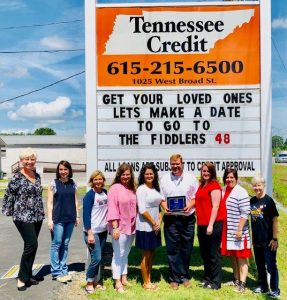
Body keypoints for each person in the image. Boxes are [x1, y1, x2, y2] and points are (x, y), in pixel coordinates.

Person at [2, 148, 45, 291]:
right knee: (31, 244)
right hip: (22, 216)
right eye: (26, 159)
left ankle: (28, 275)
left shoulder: (37, 176)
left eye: (32, 159)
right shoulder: (16, 178)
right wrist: (9, 212)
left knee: (33, 245)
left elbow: (38, 196)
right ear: (21, 161)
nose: (29, 162)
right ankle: (21, 278)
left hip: (37, 215)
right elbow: (9, 195)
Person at [160, 154, 198, 290]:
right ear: (170, 164)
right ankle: (174, 278)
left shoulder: (191, 178)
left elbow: (195, 197)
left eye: (177, 164)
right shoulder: (164, 179)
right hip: (171, 219)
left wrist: (190, 205)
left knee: (186, 248)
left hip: (187, 218)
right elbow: (162, 198)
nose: (175, 166)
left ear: (182, 163)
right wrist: (165, 208)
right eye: (173, 164)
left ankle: (184, 276)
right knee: (172, 249)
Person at [47, 160, 80, 283]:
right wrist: (50, 220)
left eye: (65, 169)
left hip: (70, 219)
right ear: (58, 171)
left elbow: (76, 201)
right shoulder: (53, 183)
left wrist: (77, 216)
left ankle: (63, 268)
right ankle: (56, 271)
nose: (63, 172)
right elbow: (49, 203)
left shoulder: (73, 183)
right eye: (61, 169)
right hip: (58, 219)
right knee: (57, 244)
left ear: (69, 170)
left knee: (65, 244)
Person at [107, 163, 137, 293]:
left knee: (126, 253)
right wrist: (115, 227)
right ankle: (117, 281)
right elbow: (112, 208)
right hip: (119, 226)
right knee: (118, 254)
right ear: (119, 175)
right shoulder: (114, 188)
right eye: (123, 174)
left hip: (131, 227)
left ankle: (124, 278)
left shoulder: (132, 188)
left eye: (128, 174)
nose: (126, 177)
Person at [221, 168, 251, 293]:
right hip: (227, 230)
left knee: (241, 257)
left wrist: (239, 229)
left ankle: (243, 284)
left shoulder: (241, 191)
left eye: (231, 177)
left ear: (236, 178)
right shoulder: (223, 190)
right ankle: (236, 279)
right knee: (233, 256)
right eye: (227, 177)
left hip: (239, 231)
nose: (229, 180)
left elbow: (245, 212)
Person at [195, 162, 224, 290]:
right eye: (203, 171)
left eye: (208, 171)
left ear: (212, 172)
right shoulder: (201, 185)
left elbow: (216, 206)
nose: (205, 173)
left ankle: (216, 282)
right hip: (201, 224)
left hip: (213, 224)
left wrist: (211, 225)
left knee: (213, 254)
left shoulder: (214, 186)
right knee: (205, 254)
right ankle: (207, 279)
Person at [250, 175, 280, 298]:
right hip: (257, 241)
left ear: (263, 185)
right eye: (255, 185)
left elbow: (275, 220)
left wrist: (274, 239)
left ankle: (275, 290)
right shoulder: (252, 201)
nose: (257, 188)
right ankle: (264, 287)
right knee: (260, 266)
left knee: (271, 266)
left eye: (259, 185)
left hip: (268, 241)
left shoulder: (269, 201)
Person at [136, 163, 163, 291]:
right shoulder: (141, 189)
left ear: (154, 175)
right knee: (146, 255)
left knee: (152, 254)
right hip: (145, 226)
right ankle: (146, 283)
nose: (149, 176)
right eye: (147, 174)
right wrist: (153, 222)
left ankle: (149, 279)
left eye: (151, 173)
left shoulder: (156, 188)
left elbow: (160, 207)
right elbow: (142, 210)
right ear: (143, 175)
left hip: (155, 226)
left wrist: (159, 222)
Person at [83, 170, 108, 294]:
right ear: (92, 181)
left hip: (103, 231)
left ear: (103, 180)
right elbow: (86, 216)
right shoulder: (89, 195)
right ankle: (89, 282)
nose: (98, 181)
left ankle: (96, 282)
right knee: (96, 258)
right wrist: (90, 233)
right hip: (92, 232)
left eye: (100, 179)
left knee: (98, 257)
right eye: (95, 179)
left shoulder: (105, 193)